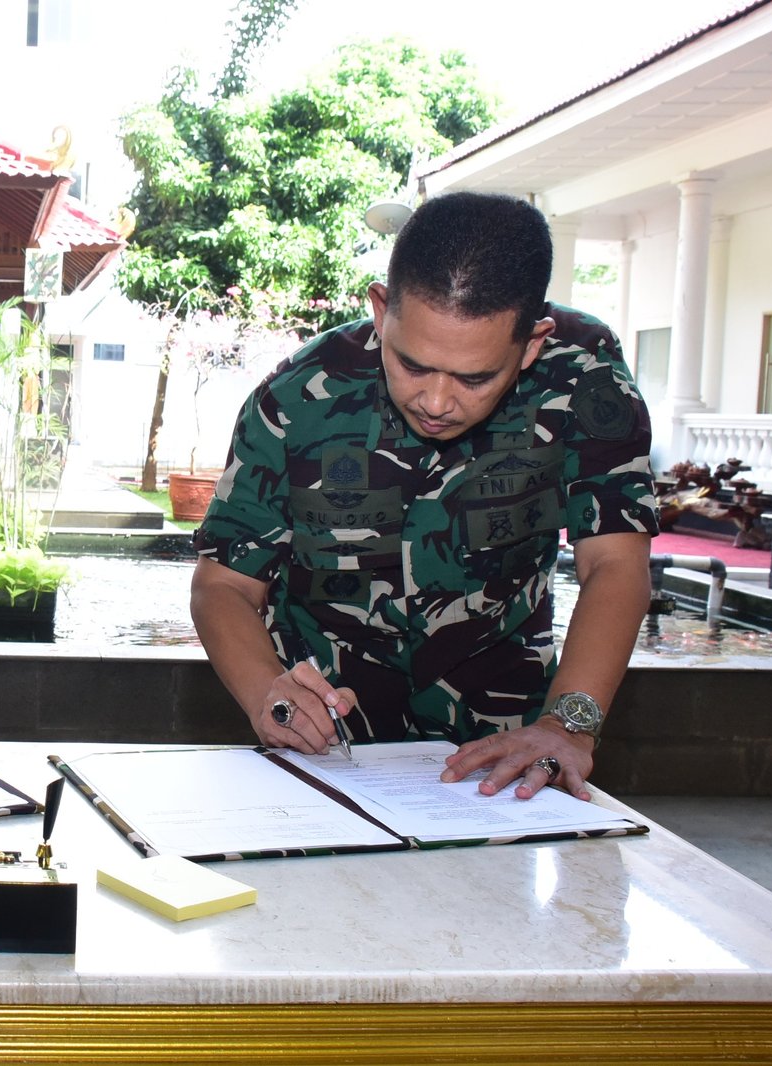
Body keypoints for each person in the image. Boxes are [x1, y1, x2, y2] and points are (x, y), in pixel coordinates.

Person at [190, 191, 658, 801]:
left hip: (504, 751)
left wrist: (567, 726)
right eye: (412, 365)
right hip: (326, 746)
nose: (436, 402)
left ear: (532, 344)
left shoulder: (584, 377)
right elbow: (223, 585)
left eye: (475, 377)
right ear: (381, 310)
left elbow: (615, 562)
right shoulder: (298, 396)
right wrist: (264, 692)